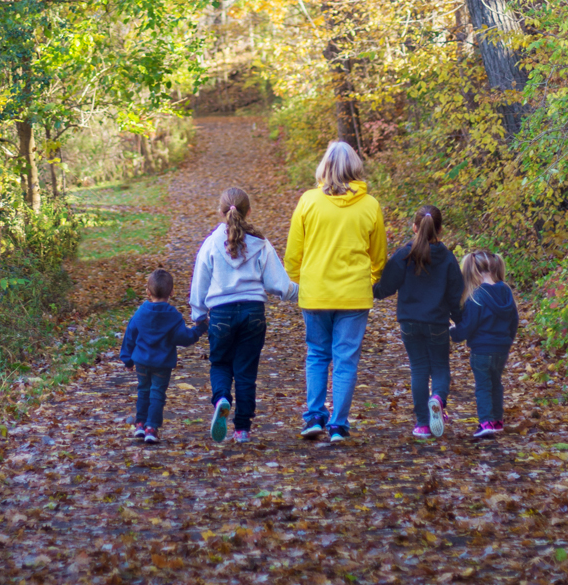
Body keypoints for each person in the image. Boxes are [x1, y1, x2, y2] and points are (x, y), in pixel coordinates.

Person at [284, 140, 387, 443]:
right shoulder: (370, 206)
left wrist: (298, 283)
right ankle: (338, 425)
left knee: (317, 354)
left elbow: (293, 253)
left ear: (324, 167)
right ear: (355, 167)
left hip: (316, 292)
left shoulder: (308, 201)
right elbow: (379, 256)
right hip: (354, 294)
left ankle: (315, 416)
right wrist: (371, 280)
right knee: (346, 359)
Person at [190, 186, 298, 444]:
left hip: (221, 314)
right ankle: (242, 430)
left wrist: (199, 315)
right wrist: (302, 293)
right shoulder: (260, 244)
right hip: (253, 313)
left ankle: (222, 398)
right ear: (248, 212)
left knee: (220, 363)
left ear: (220, 212)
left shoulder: (211, 244)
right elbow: (279, 284)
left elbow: (199, 284)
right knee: (246, 372)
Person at [373, 204, 464, 439]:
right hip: (437, 323)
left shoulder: (404, 255)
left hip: (409, 322)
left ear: (414, 227)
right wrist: (461, 321)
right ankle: (438, 399)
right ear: (440, 229)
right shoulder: (448, 258)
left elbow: (386, 287)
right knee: (440, 367)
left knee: (419, 369)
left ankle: (423, 424)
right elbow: (456, 296)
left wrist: (370, 290)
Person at [120, 267, 207, 444]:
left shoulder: (140, 313)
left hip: (141, 361)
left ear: (148, 292)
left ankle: (140, 424)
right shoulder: (173, 316)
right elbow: (184, 338)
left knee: (143, 390)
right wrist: (200, 329)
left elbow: (130, 335)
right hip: (162, 362)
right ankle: (151, 428)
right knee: (157, 393)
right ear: (172, 292)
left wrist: (127, 359)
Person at [451, 249, 519, 440]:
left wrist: (453, 332)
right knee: (496, 383)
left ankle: (486, 422)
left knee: (483, 386)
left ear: (473, 270)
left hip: (481, 349)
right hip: (501, 348)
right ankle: (497, 421)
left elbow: (468, 327)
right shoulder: (505, 291)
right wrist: (507, 340)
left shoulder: (476, 297)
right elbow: (514, 320)